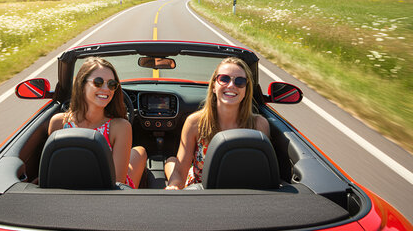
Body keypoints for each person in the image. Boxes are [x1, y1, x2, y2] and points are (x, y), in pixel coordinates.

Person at [164, 57, 270, 189]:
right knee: (174, 164)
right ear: (214, 85)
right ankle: (170, 163)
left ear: (246, 90)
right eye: (224, 79)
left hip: (240, 193)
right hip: (201, 191)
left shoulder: (259, 125)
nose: (231, 85)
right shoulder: (195, 122)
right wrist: (173, 187)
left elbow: (260, 173)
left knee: (171, 161)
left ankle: (170, 162)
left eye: (240, 81)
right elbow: (180, 172)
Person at [48, 57, 147, 188]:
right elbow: (117, 183)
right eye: (98, 82)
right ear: (81, 84)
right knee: (140, 152)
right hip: (105, 195)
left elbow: (118, 181)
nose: (106, 89)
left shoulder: (60, 123)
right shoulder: (120, 127)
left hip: (75, 191)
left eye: (112, 84)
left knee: (139, 152)